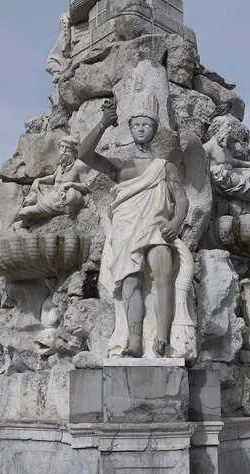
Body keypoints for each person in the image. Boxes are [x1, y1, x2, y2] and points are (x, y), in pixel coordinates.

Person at [79, 95, 191, 358]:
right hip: (126, 231)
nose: (141, 129)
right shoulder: (120, 165)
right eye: (136, 125)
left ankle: (162, 339)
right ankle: (135, 341)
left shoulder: (164, 167)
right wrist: (102, 125)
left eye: (146, 125)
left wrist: (176, 222)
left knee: (163, 276)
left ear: (154, 129)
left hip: (157, 229)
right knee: (130, 284)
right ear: (130, 129)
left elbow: (182, 200)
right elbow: (84, 155)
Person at [17, 136, 90, 228]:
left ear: (74, 151)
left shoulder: (79, 165)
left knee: (23, 212)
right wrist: (38, 180)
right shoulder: (61, 166)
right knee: (29, 201)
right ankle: (30, 219)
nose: (63, 151)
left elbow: (87, 186)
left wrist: (72, 184)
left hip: (59, 203)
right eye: (61, 147)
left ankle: (25, 223)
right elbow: (53, 178)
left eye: (67, 148)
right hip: (50, 197)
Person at [203, 117, 250, 204]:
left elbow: (234, 161)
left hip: (237, 173)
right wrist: (214, 179)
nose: (230, 131)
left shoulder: (223, 147)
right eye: (228, 127)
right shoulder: (208, 147)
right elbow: (199, 169)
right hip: (232, 186)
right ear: (219, 128)